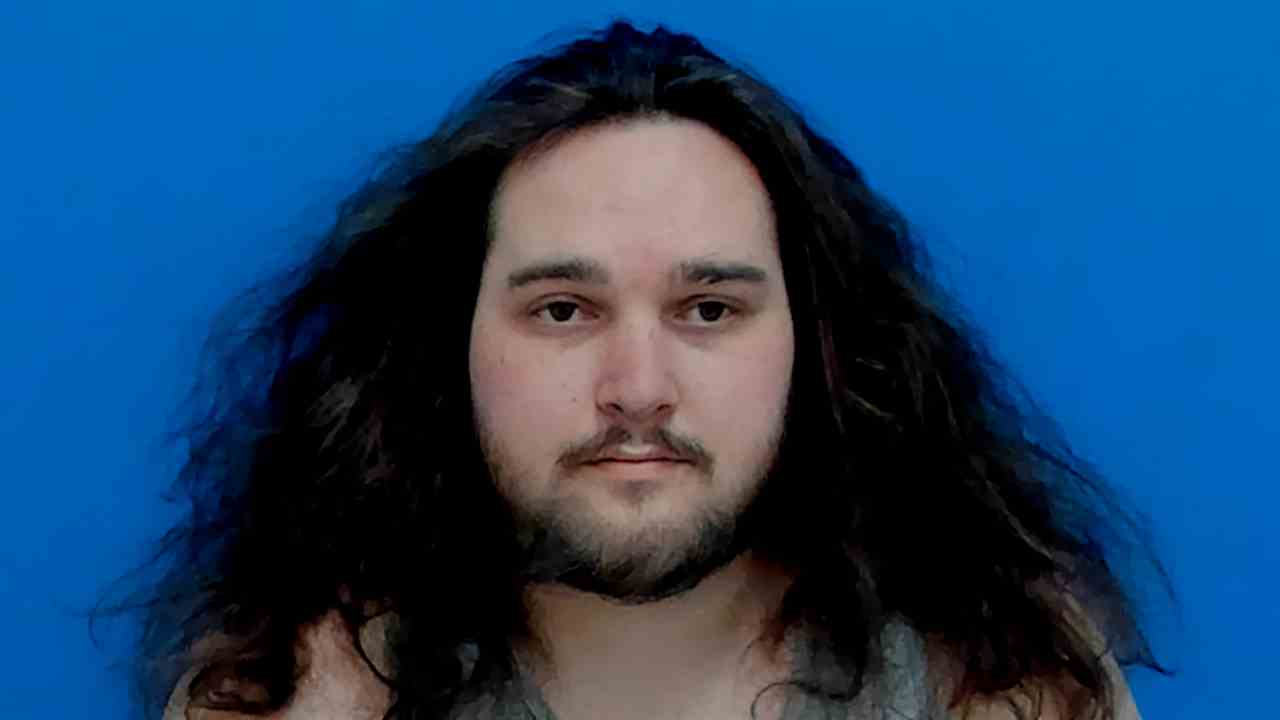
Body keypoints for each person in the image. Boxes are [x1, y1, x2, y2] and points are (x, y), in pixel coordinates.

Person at [99, 19, 1173, 720]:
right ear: (447, 349)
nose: (638, 387)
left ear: (817, 351)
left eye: (708, 310)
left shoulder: (996, 683)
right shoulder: (303, 693)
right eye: (563, 311)